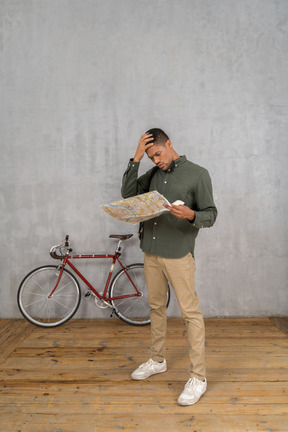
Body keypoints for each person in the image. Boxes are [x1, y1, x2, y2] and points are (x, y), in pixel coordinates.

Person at [121, 128, 217, 406]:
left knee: (190, 314)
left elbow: (211, 214)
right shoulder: (152, 174)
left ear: (170, 144)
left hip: (178, 255)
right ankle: (157, 360)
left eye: (158, 154)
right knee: (155, 307)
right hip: (151, 252)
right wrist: (136, 158)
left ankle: (198, 377)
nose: (156, 160)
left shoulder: (198, 174)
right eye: (151, 157)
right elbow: (128, 196)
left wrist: (191, 215)